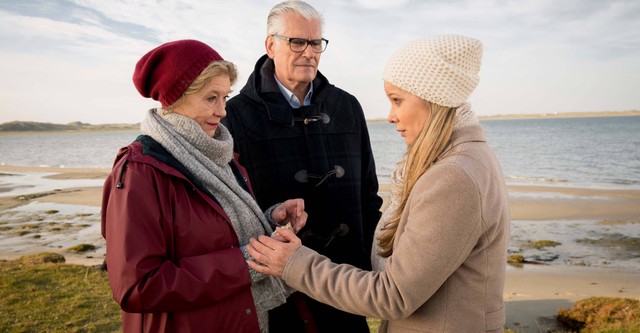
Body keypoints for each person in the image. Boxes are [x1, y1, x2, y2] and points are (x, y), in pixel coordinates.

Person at [246, 34, 511, 333]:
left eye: (397, 100)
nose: (390, 116)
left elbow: (393, 295)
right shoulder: (465, 158)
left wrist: (295, 264)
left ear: (433, 100)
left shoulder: (452, 177)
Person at [101, 39, 307, 333]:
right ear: (176, 99)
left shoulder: (218, 154)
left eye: (225, 97)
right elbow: (138, 286)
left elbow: (216, 227)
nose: (222, 111)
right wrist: (246, 263)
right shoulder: (140, 172)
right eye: (211, 98)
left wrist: (271, 216)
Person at [222, 1, 383, 332]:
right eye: (297, 42)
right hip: (280, 287)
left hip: (347, 282)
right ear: (271, 45)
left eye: (315, 43)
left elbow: (369, 194)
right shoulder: (235, 115)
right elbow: (230, 209)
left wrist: (371, 263)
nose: (309, 52)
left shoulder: (347, 106)